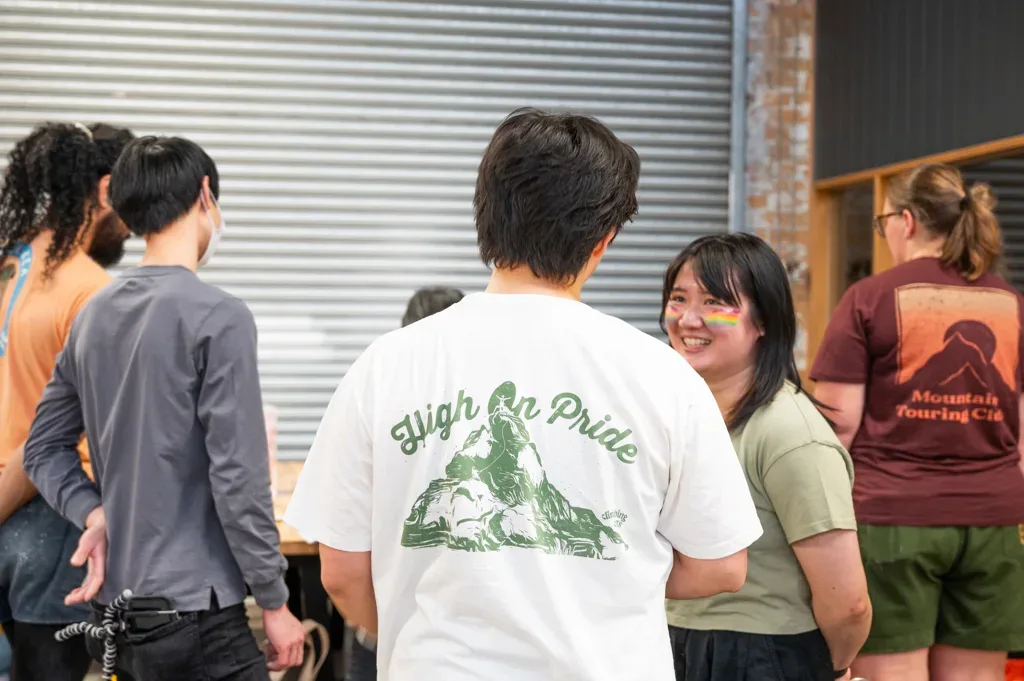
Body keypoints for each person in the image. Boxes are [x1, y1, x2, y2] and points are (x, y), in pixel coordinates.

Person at [284, 108, 763, 681]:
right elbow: (721, 565)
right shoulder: (664, 377)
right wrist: (607, 579)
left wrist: (415, 636)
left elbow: (341, 573)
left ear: (486, 216)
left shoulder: (384, 366)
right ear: (603, 240)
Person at [23, 136, 306, 680]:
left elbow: (42, 449)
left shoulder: (92, 317)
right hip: (197, 617)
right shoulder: (219, 317)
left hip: (119, 617)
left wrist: (95, 512)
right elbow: (238, 478)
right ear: (205, 194)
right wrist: (274, 600)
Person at [812, 163, 1024, 681]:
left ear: (905, 221)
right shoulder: (1011, 303)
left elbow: (836, 427)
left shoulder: (869, 297)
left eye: (882, 222)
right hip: (995, 519)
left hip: (894, 518)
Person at [661, 234, 872, 681]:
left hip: (761, 654)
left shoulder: (789, 433)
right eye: (678, 299)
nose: (689, 319)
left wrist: (828, 669)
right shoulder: (676, 413)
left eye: (715, 302)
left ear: (763, 322)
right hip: (670, 641)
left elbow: (848, 604)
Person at [0, 121, 134, 681]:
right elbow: (50, 436)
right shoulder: (91, 291)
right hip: (50, 517)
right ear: (104, 191)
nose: (132, 225)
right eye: (127, 202)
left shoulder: (10, 263)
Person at [349, 285, 465, 681]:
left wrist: (387, 630)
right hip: (467, 643)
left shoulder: (380, 407)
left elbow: (342, 570)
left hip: (388, 632)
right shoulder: (481, 426)